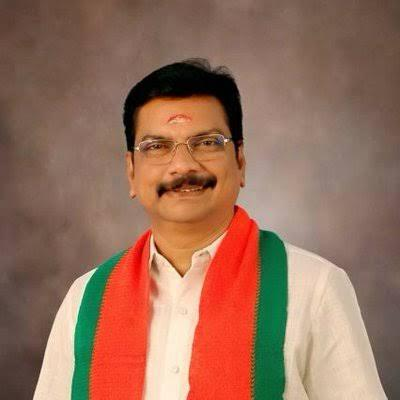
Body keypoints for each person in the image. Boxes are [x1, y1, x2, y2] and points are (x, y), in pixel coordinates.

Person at [33, 59, 387, 400]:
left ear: (240, 161)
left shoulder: (313, 287)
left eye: (206, 143)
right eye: (157, 147)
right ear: (131, 172)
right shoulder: (86, 300)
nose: (183, 165)